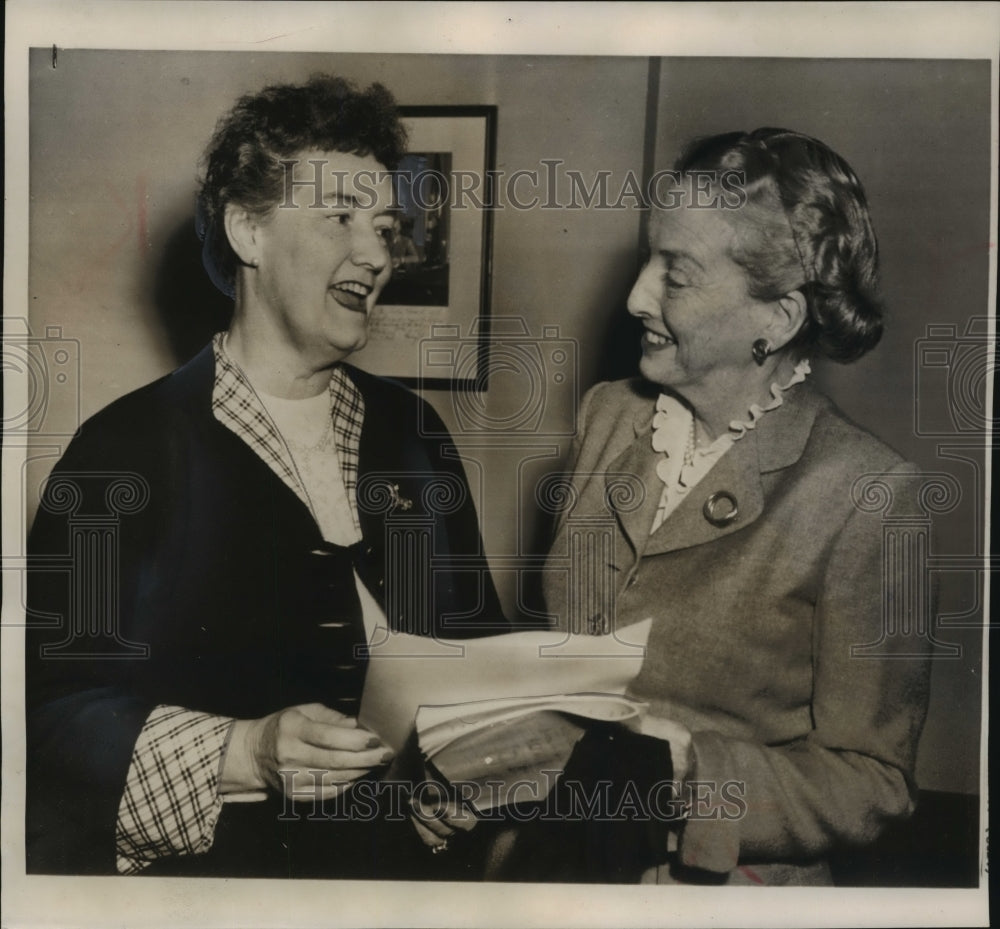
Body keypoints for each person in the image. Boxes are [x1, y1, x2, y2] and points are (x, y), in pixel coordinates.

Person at [26, 75, 505, 878]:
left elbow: (480, 655)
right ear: (248, 231)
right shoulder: (123, 451)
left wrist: (472, 770)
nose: (376, 254)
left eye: (385, 226)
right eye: (341, 218)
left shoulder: (417, 435)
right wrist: (244, 750)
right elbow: (45, 715)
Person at [529, 129, 932, 885]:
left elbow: (875, 780)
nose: (635, 295)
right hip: (557, 865)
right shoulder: (609, 416)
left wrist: (688, 775)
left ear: (775, 320)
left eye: (675, 275)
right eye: (649, 258)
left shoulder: (870, 496)